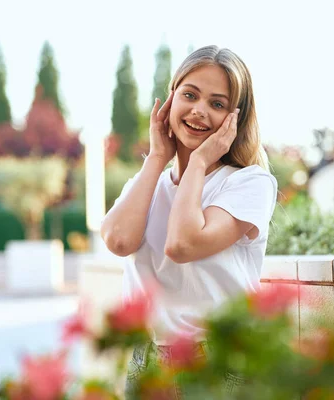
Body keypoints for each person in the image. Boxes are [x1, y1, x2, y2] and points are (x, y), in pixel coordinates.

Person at [100, 45, 278, 398]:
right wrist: (156, 158)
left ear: (235, 119)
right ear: (169, 100)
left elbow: (183, 245)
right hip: (148, 358)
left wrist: (197, 163)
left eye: (217, 103)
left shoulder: (248, 183)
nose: (199, 111)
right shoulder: (148, 182)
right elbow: (118, 242)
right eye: (189, 95)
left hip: (218, 360)